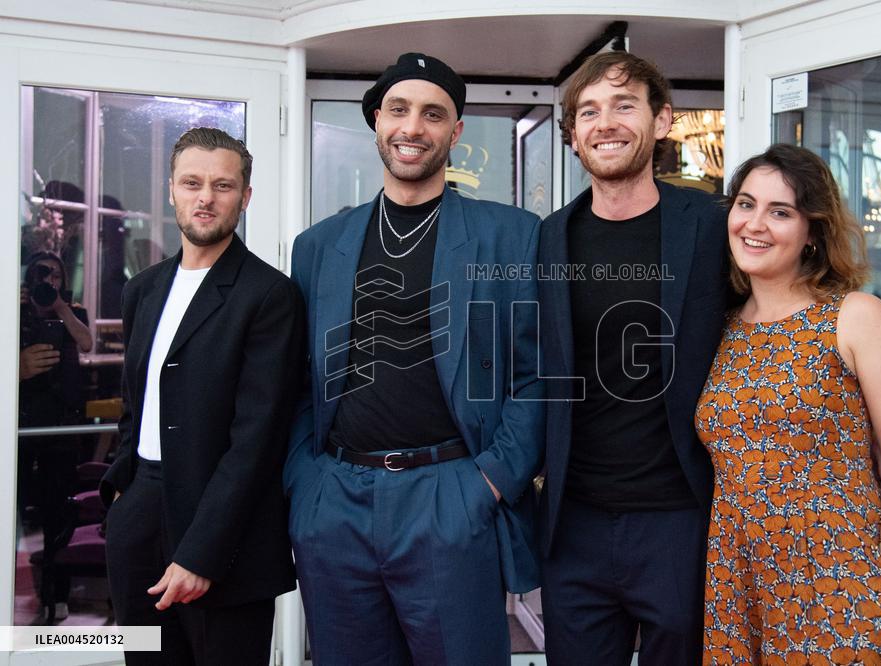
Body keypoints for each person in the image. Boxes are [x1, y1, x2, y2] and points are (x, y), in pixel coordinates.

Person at [285, 52, 544, 665]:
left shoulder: (510, 235)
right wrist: (306, 485)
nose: (413, 127)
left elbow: (540, 374)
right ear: (376, 120)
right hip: (335, 501)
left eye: (433, 114)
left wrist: (488, 483)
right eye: (398, 110)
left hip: (450, 496)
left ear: (455, 133)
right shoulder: (319, 245)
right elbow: (295, 380)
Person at [696, 143, 881, 664]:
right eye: (746, 204)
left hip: (841, 589)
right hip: (741, 592)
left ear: (812, 233)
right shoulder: (719, 331)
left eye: (780, 212)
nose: (755, 223)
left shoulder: (855, 316)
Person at [536, 51, 729, 665]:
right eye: (588, 112)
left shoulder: (713, 225)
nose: (606, 123)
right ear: (573, 135)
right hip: (575, 520)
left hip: (678, 516)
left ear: (664, 119)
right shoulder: (549, 236)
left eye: (624, 105)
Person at [100, 127, 305, 666]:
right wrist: (121, 495)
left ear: (245, 196)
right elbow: (133, 404)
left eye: (223, 185)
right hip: (141, 509)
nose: (205, 197)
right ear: (172, 189)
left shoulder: (270, 295)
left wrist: (201, 551)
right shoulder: (142, 289)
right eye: (192, 183)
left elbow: (256, 442)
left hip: (223, 528)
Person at [18, 250, 93, 623]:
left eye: (55, 276)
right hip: (21, 425)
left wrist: (60, 307)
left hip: (62, 425)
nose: (48, 282)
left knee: (57, 511)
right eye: (40, 275)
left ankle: (56, 595)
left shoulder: (72, 313)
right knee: (17, 511)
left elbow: (87, 343)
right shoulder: (15, 314)